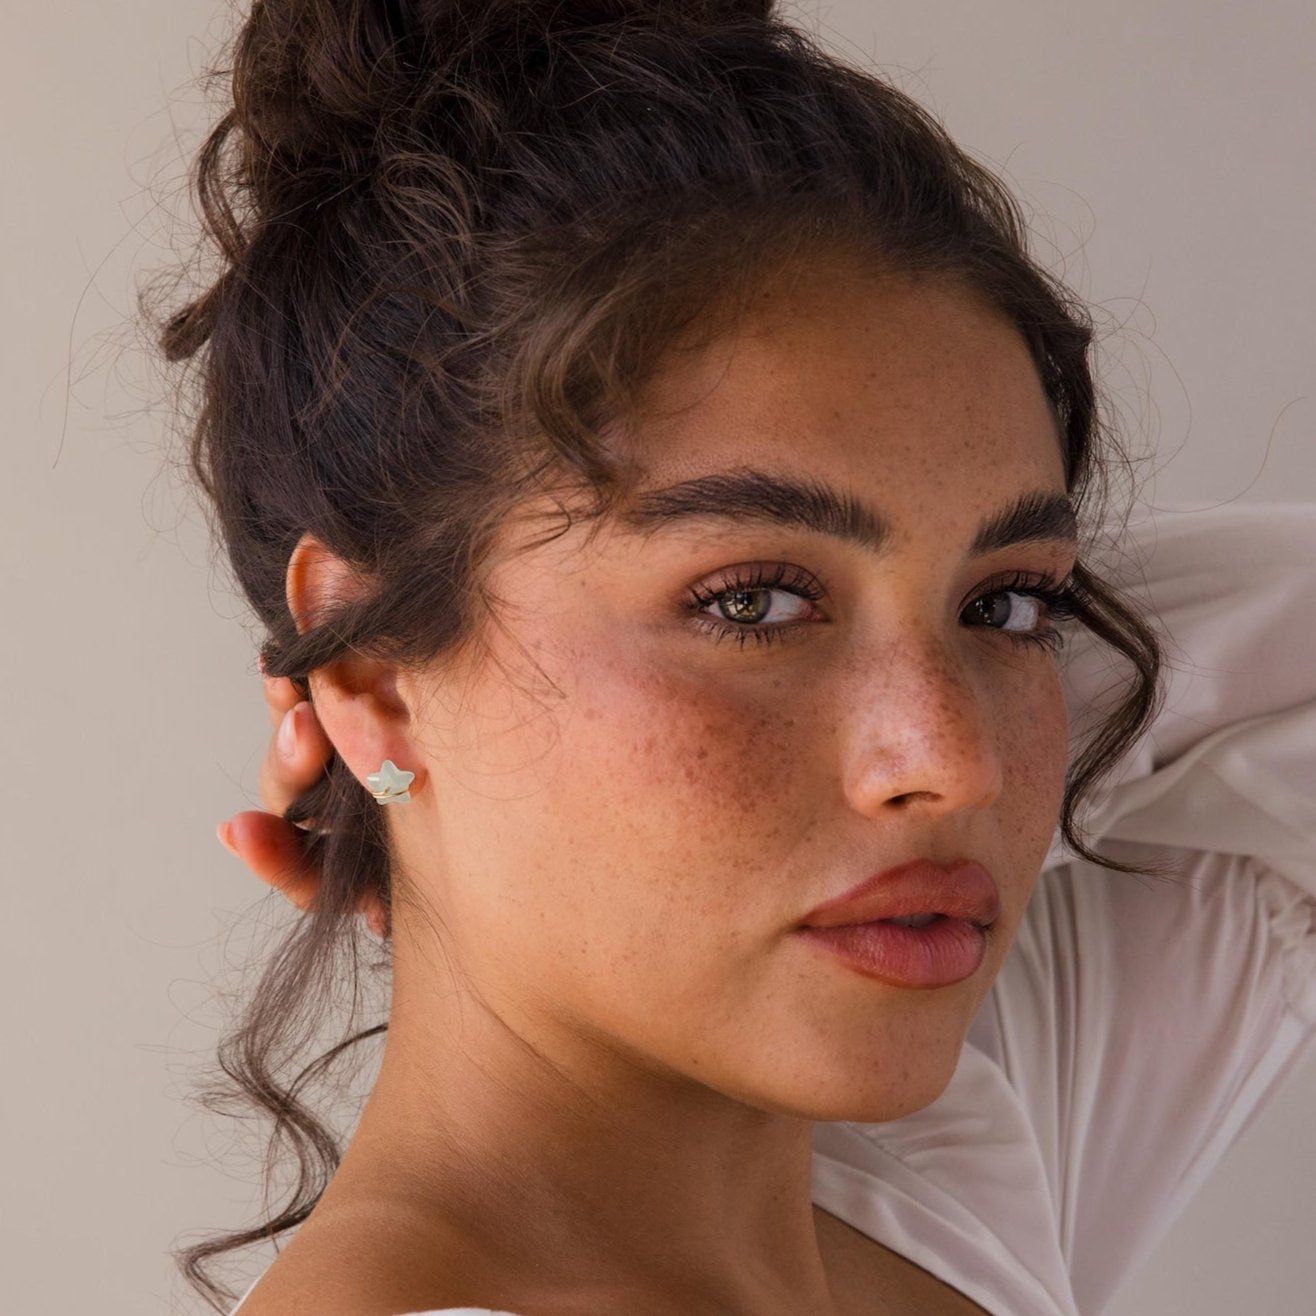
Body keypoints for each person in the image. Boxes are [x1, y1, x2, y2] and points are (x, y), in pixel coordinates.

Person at [150, 1, 1316, 1313]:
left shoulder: (941, 1183)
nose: (960, 764)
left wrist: (429, 806)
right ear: (369, 667)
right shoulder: (948, 1157)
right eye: (753, 602)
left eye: (1008, 607)